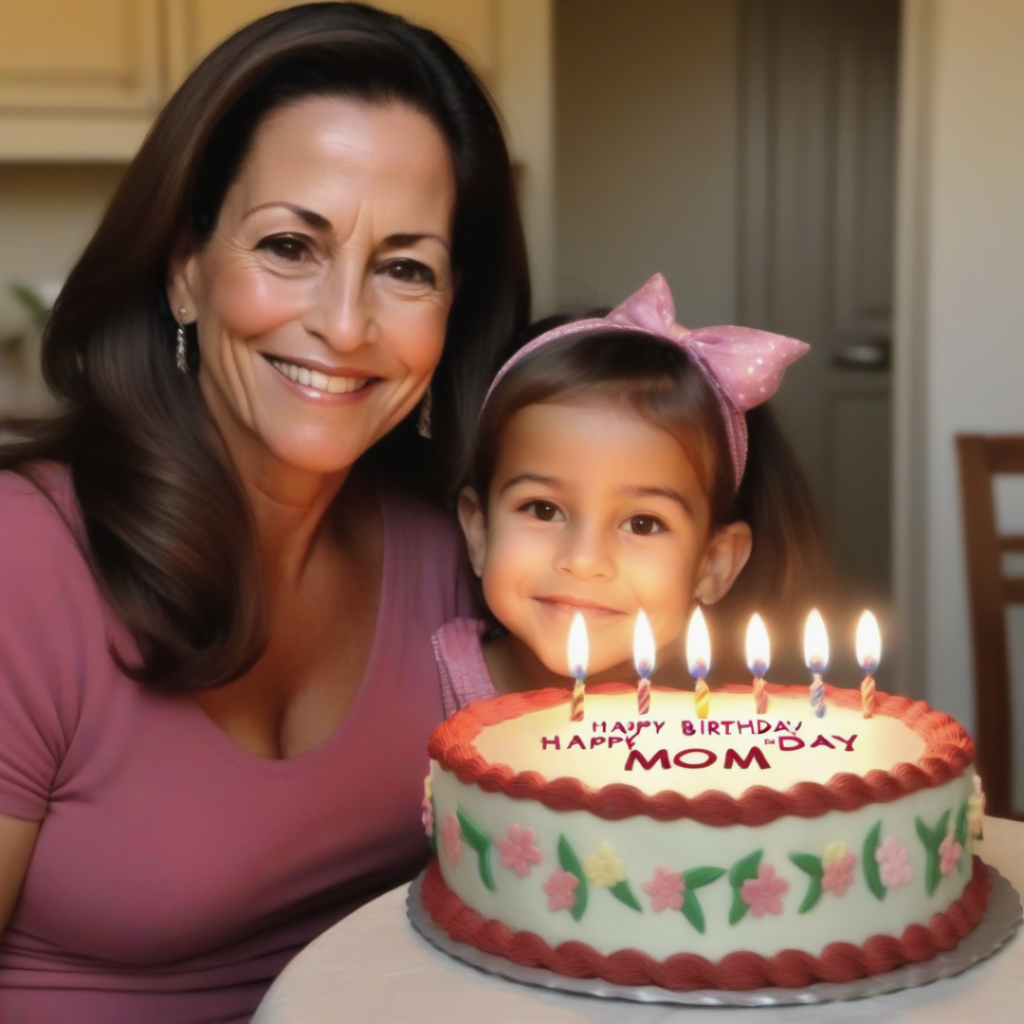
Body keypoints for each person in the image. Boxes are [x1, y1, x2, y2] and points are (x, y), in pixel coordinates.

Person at [0, 4, 528, 1021]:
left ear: (453, 307)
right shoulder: (24, 565)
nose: (342, 324)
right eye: (291, 245)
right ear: (183, 268)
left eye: (404, 267)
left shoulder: (456, 566)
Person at [433, 274, 828, 714]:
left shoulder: (729, 731)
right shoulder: (418, 688)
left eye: (643, 523)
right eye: (543, 509)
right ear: (479, 531)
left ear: (713, 563)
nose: (583, 562)